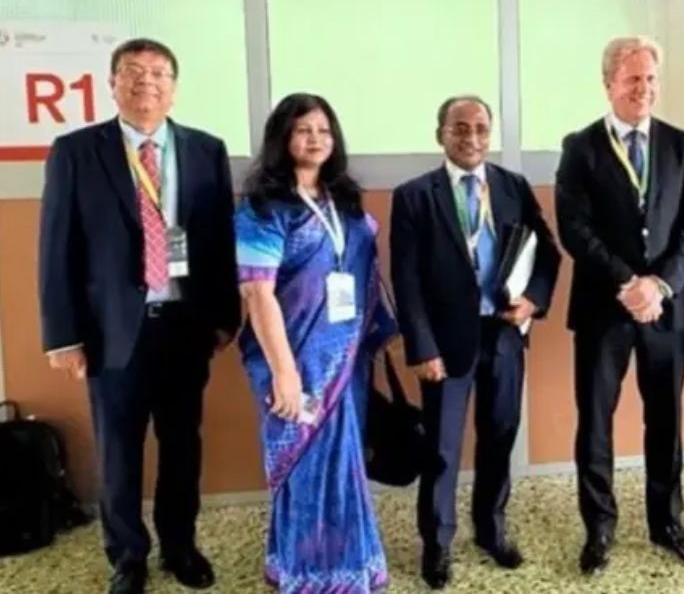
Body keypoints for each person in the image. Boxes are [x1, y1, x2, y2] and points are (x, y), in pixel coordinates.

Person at [38, 38, 239, 594]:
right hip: (110, 332)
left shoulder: (206, 150)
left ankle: (180, 545)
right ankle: (127, 556)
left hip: (185, 325)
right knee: (119, 450)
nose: (146, 81)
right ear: (113, 83)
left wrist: (225, 316)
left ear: (174, 87)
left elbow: (218, 241)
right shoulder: (77, 151)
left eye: (158, 72)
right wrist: (63, 336)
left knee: (182, 444)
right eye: (133, 71)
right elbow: (56, 248)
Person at [555, 35, 684, 576]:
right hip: (605, 306)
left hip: (667, 308)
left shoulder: (679, 144)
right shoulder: (580, 146)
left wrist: (661, 284)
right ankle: (599, 528)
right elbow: (574, 227)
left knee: (666, 418)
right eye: (632, 79)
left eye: (650, 78)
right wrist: (627, 282)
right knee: (595, 421)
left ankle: (667, 524)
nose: (643, 88)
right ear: (609, 84)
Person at [391, 95, 561, 590]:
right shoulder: (414, 196)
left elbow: (548, 253)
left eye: (481, 128)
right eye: (460, 128)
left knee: (500, 436)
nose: (472, 137)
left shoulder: (512, 186)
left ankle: (491, 529)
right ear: (440, 134)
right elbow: (406, 279)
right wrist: (422, 348)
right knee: (442, 448)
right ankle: (437, 542)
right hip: (445, 344)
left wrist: (533, 301)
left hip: (504, 334)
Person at [236, 93, 396, 591]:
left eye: (324, 130)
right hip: (295, 361)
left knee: (343, 465)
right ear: (282, 138)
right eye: (303, 130)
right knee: (306, 469)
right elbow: (258, 294)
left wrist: (379, 332)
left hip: (346, 360)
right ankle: (307, 573)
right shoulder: (264, 209)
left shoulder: (342, 199)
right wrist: (284, 373)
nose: (315, 139)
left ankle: (350, 567)